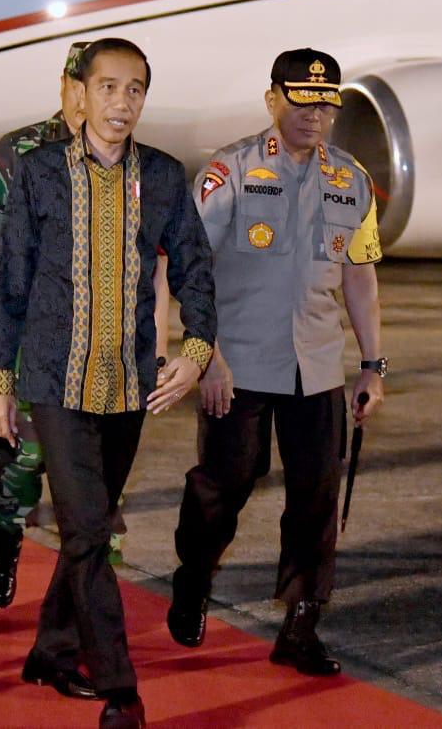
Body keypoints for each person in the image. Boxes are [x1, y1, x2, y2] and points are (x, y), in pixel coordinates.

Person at [0, 38, 217, 729]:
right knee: (90, 530)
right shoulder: (37, 173)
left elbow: (198, 268)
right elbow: (10, 282)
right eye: (109, 87)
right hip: (55, 384)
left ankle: (53, 651)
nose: (123, 102)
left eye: (136, 89)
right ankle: (121, 690)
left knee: (87, 532)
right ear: (80, 93)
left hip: (130, 387)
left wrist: (196, 352)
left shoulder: (168, 177)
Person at [168, 48, 385, 677]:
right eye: (300, 99)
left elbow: (361, 274)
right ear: (272, 100)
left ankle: (301, 621)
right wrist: (201, 353)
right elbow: (189, 266)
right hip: (236, 363)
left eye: (325, 102)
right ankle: (193, 576)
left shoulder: (351, 179)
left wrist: (374, 364)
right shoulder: (229, 170)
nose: (314, 113)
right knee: (225, 483)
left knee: (316, 496)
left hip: (317, 366)